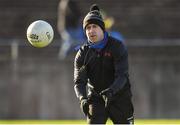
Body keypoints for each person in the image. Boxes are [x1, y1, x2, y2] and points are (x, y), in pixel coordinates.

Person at [74, 4, 134, 124]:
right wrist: (82, 99)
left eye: (94, 26)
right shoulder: (82, 53)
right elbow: (79, 81)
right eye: (88, 28)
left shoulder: (117, 46)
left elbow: (122, 75)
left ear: (102, 28)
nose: (91, 31)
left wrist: (111, 91)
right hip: (96, 99)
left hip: (119, 96)